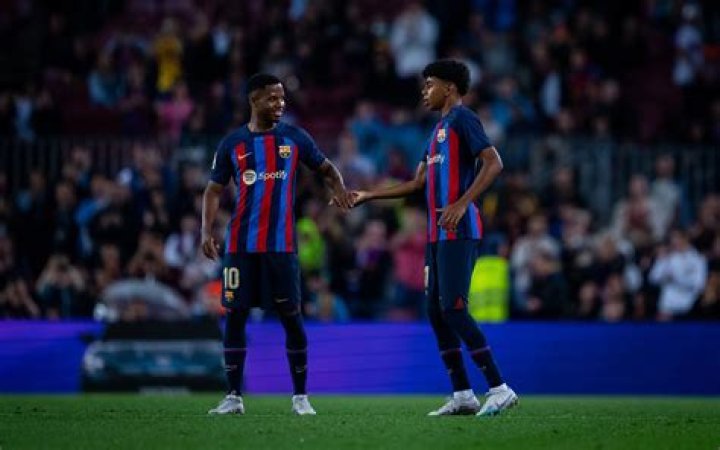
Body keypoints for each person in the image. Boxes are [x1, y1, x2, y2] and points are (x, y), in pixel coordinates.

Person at [351, 60, 518, 416]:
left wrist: (462, 202)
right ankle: (462, 394)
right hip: (436, 234)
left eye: (430, 84)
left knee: (454, 308)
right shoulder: (436, 131)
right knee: (436, 311)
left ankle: (499, 388)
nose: (424, 91)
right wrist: (370, 195)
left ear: (450, 87)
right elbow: (417, 183)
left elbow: (494, 163)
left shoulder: (463, 119)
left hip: (460, 228)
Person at [202, 73, 353, 416]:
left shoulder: (294, 138)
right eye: (272, 98)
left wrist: (340, 191)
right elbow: (212, 190)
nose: (280, 104)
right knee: (235, 318)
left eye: (282, 98)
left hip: (281, 247)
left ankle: (300, 397)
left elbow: (327, 169)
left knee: (291, 318)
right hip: (240, 247)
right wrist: (205, 231)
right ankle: (233, 396)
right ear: (254, 100)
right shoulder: (232, 144)